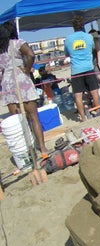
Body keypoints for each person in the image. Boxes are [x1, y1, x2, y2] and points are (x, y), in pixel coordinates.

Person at [0, 21, 49, 156]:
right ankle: (43, 149)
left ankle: (27, 152)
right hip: (21, 81)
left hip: (8, 85)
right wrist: (27, 69)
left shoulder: (1, 49)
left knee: (18, 122)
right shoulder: (17, 43)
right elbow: (31, 54)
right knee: (33, 117)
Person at [64, 16, 100, 121]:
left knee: (78, 96)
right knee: (94, 92)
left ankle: (83, 118)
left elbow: (67, 53)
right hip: (88, 67)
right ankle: (98, 113)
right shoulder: (89, 37)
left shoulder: (68, 39)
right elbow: (93, 48)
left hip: (76, 70)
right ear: (82, 25)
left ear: (73, 27)